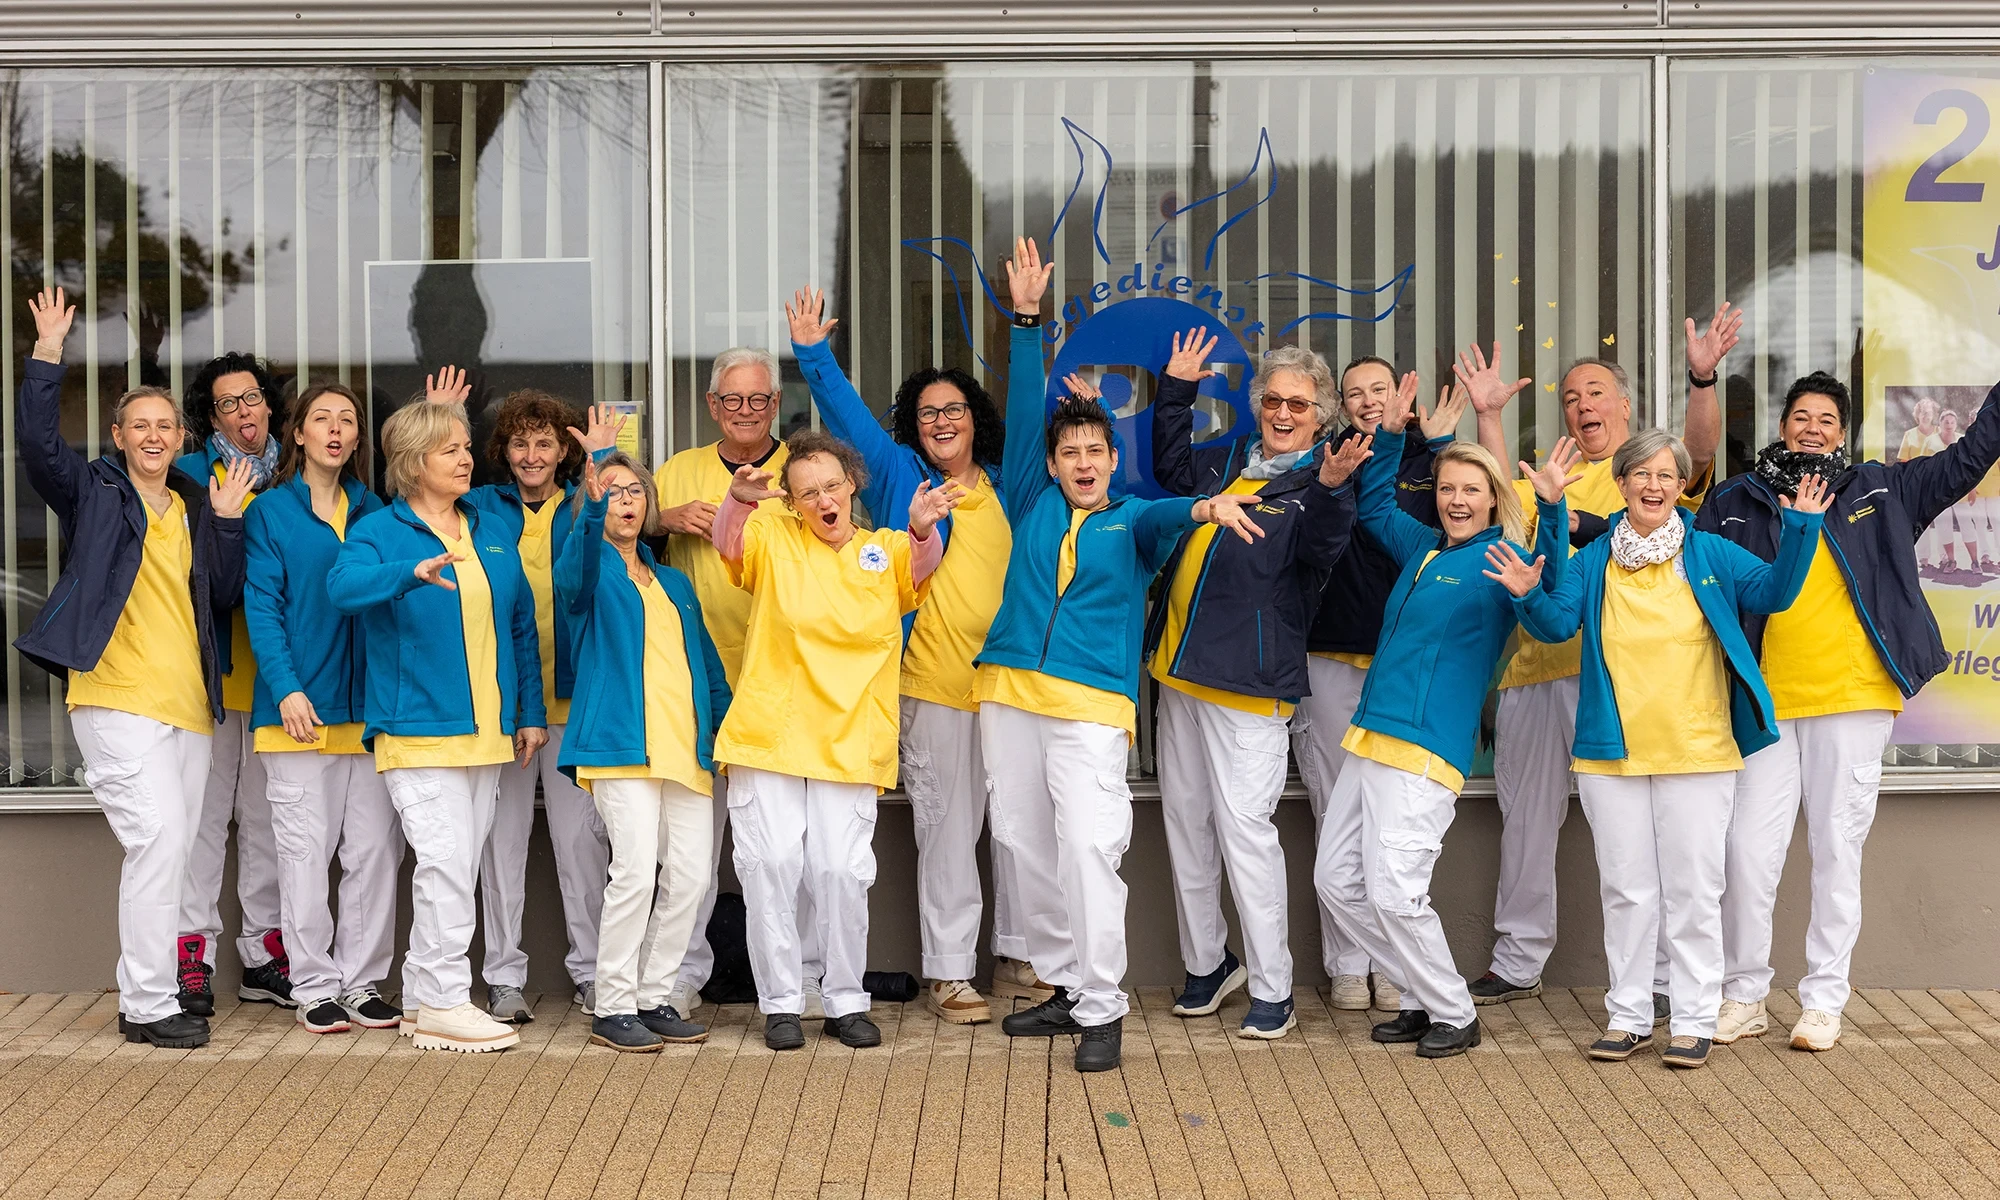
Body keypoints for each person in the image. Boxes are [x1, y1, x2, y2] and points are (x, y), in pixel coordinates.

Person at [980, 237, 1269, 1073]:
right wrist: (1026, 322)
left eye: (1095, 453)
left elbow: (1170, 516)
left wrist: (1206, 509)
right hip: (1007, 693)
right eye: (1069, 453)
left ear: (1113, 462)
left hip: (1089, 708)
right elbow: (1027, 405)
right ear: (1052, 464)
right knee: (1026, 848)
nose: (1082, 463)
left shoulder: (1131, 519)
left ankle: (1103, 1006)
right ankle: (1067, 986)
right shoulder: (1030, 499)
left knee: (1087, 848)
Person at [1492, 428, 1826, 1069]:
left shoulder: (1710, 551)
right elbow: (1556, 624)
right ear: (1620, 484)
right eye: (1641, 474)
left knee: (1694, 892)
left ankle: (1694, 1019)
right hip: (1611, 753)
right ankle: (1628, 1016)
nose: (1653, 485)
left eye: (1666, 475)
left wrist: (1803, 528)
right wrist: (1527, 592)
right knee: (1626, 891)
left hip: (1697, 751)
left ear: (1679, 487)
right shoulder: (1593, 560)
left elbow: (1775, 594)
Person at [1701, 372, 2000, 1052]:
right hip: (1766, 704)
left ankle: (1823, 1002)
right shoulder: (1735, 499)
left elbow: (1970, 457)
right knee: (1746, 853)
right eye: (1801, 416)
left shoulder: (1880, 489)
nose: (1812, 428)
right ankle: (1744, 994)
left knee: (1837, 850)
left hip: (1854, 699)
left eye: (1827, 420)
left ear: (1843, 433)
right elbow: (1683, 562)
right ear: (1782, 426)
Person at [786, 285, 1044, 1027]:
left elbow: (1031, 416)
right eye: (927, 413)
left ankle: (1021, 954)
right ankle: (951, 971)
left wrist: (1027, 323)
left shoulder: (1011, 486)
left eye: (953, 409)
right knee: (948, 832)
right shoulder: (904, 476)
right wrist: (813, 355)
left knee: (1022, 826)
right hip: (932, 686)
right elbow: (848, 422)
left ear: (974, 419)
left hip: (1010, 687)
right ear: (913, 427)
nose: (941, 421)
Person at [1464, 308, 1734, 1014]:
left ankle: (1667, 981)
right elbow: (1506, 504)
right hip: (1534, 671)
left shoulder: (1643, 478)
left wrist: (1702, 378)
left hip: (1617, 681)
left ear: (1625, 406)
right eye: (1570, 398)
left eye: (1595, 393)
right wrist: (1488, 415)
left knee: (1655, 840)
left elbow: (1698, 451)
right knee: (1526, 824)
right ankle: (1517, 960)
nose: (1582, 405)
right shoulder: (1553, 476)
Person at [14, 287, 254, 1048]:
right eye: (139, 425)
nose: (153, 435)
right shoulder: (93, 493)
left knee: (176, 854)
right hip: (116, 699)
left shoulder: (193, 504)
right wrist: (47, 353)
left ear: (182, 437)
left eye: (164, 426)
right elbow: (38, 448)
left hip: (189, 708)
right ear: (118, 436)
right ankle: (147, 1003)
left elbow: (223, 594)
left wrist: (228, 522)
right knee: (157, 841)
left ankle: (156, 994)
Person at [1310, 377, 1573, 1061]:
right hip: (1371, 737)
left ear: (1493, 500)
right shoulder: (1425, 547)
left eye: (1471, 490)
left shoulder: (1502, 560)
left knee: (1396, 893)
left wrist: (1552, 512)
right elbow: (1373, 507)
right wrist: (1392, 437)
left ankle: (1452, 1011)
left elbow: (1554, 619)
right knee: (1335, 882)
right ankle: (1419, 993)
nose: (1457, 500)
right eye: (1448, 488)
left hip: (1425, 750)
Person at [1145, 331, 1367, 1039]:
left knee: (1246, 833)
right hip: (1177, 675)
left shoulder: (1319, 482)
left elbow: (1324, 546)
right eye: (1273, 400)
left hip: (1247, 684)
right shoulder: (1227, 462)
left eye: (1298, 404)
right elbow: (1171, 470)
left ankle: (1273, 988)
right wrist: (1176, 390)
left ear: (1321, 414)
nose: (1283, 413)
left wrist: (1330, 487)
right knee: (1186, 825)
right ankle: (1208, 963)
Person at [708, 428, 958, 1052]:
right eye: (807, 493)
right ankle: (782, 1002)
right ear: (792, 503)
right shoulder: (773, 537)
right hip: (771, 733)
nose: (823, 500)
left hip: (850, 736)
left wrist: (922, 528)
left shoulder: (884, 549)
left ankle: (845, 1000)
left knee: (840, 871)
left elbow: (920, 565)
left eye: (832, 486)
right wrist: (737, 500)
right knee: (772, 866)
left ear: (852, 486)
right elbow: (729, 544)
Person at [327, 401, 546, 1053]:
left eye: (465, 446)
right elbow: (342, 588)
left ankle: (424, 997)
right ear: (414, 462)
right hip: (417, 728)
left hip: (488, 732)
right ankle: (449, 998)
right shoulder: (379, 529)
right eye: (450, 449)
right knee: (447, 863)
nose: (466, 458)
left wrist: (528, 713)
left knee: (454, 866)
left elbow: (519, 626)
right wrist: (409, 573)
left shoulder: (489, 526)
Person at [427, 371, 619, 1023]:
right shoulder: (480, 506)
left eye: (544, 444)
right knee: (499, 848)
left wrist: (600, 469)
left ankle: (591, 972)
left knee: (582, 848)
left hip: (575, 704)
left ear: (563, 451)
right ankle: (504, 976)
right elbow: (422, 496)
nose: (532, 455)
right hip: (503, 705)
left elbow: (612, 548)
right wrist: (442, 420)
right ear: (502, 451)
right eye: (519, 443)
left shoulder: (586, 503)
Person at [1290, 355, 1465, 1014]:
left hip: (1400, 670)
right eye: (1356, 392)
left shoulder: (1432, 463)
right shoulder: (1324, 458)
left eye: (1380, 390)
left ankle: (1395, 968)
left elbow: (1462, 532)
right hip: (1330, 653)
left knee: (1392, 826)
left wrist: (1441, 443)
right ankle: (1347, 963)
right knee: (1335, 812)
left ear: (1401, 397)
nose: (1369, 401)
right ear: (1340, 404)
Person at [652, 347, 823, 1020]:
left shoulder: (805, 470)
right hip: (693, 679)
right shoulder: (677, 470)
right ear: (711, 405)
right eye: (731, 400)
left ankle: (803, 974)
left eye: (758, 399)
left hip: (783, 679)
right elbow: (621, 541)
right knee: (690, 842)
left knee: (788, 844)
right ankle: (677, 975)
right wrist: (665, 520)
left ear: (776, 404)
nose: (745, 411)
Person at [556, 450, 731, 1053]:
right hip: (618, 744)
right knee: (633, 873)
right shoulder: (587, 571)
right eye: (611, 491)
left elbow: (707, 666)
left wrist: (724, 732)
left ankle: (653, 996)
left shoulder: (675, 582)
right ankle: (612, 1004)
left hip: (684, 747)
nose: (625, 501)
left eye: (634, 490)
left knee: (691, 876)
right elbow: (574, 572)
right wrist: (589, 499)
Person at [243, 383, 404, 1035]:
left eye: (347, 421)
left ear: (358, 438)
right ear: (299, 433)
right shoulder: (269, 512)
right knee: (305, 856)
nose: (335, 430)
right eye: (322, 419)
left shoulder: (376, 511)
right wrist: (286, 688)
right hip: (298, 713)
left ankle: (362, 982)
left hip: (366, 713)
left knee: (373, 854)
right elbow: (262, 608)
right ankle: (313, 985)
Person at [175, 350, 292, 1015]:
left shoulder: (296, 474)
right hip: (211, 678)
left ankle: (263, 954)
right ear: (212, 418)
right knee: (203, 820)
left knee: (268, 820)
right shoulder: (190, 475)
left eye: (251, 397)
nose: (244, 411)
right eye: (228, 404)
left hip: (278, 680)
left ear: (268, 404)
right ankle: (190, 954)